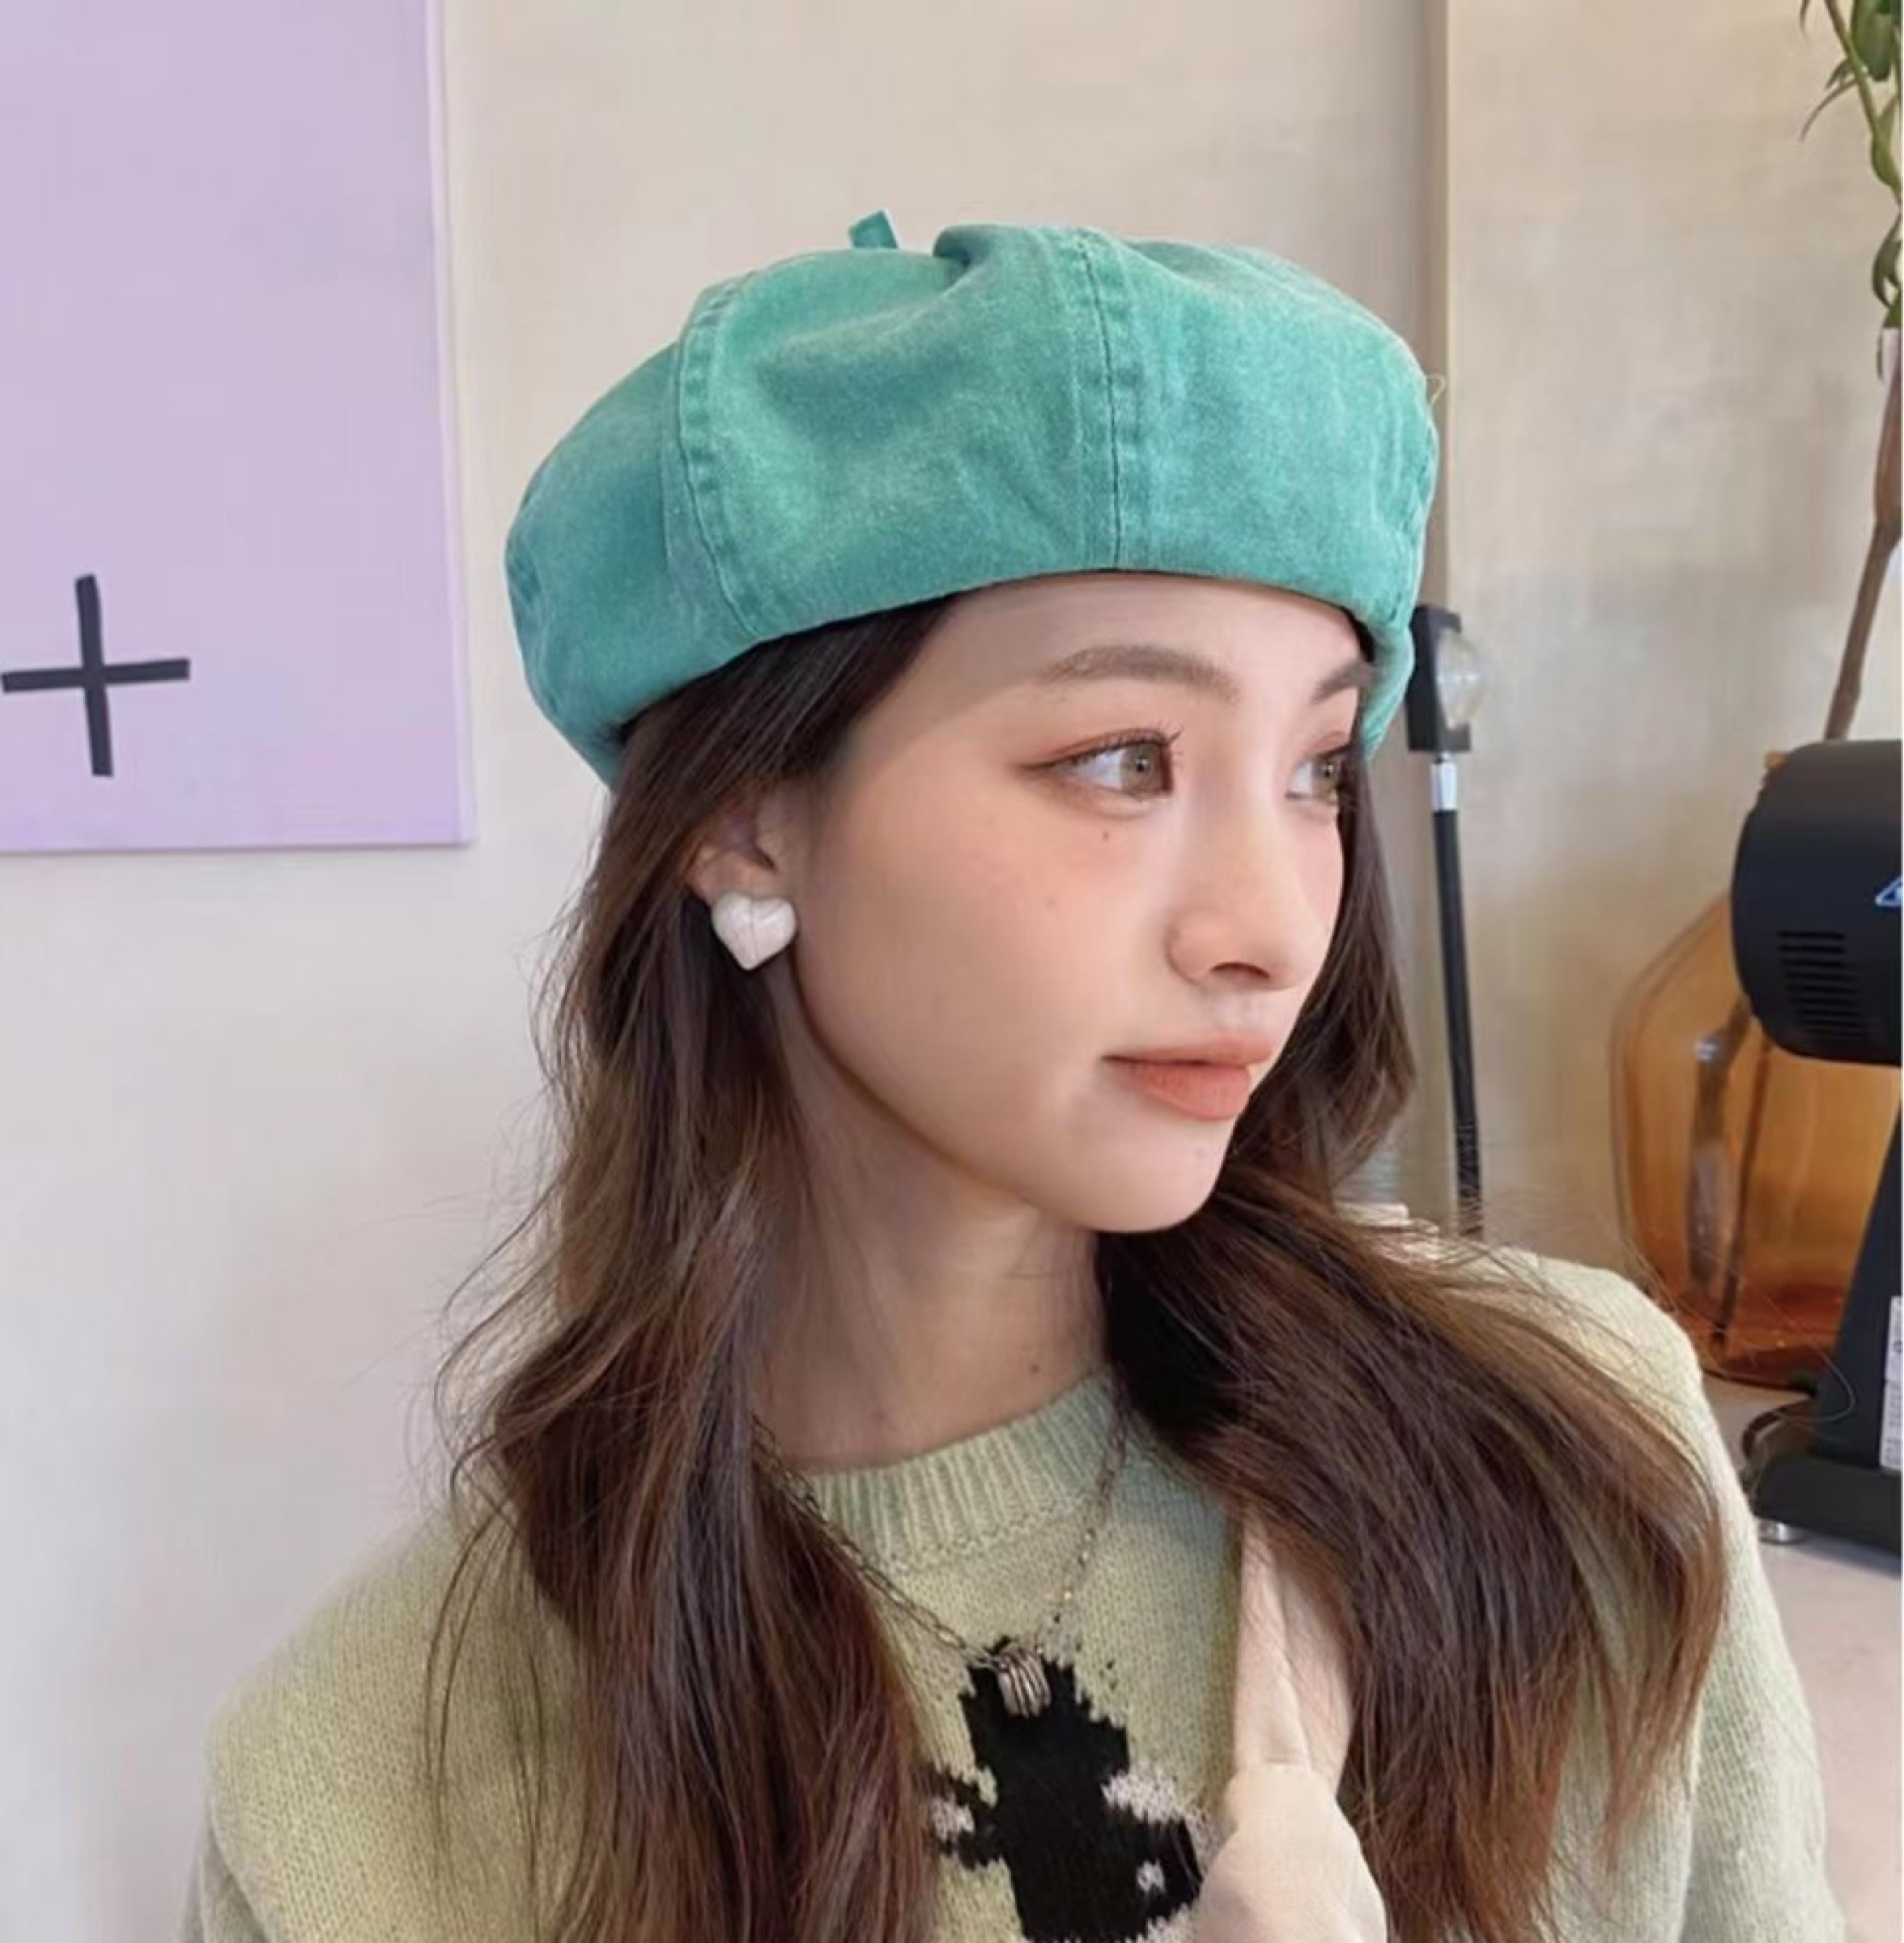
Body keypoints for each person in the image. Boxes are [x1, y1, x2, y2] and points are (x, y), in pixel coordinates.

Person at [179, 213, 1845, 1943]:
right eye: (1123, 760)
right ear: (745, 816)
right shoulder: (363, 1794)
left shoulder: (1574, 1471)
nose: (1273, 927)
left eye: (1314, 769)